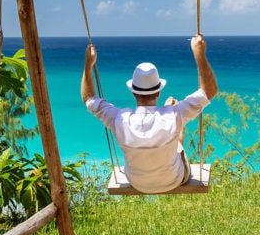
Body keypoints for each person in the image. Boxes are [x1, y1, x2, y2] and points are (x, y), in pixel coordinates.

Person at [81, 34, 218, 194]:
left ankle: (168, 116)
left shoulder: (120, 118)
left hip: (137, 182)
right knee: (177, 132)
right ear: (158, 92)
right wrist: (199, 55)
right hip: (174, 180)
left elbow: (88, 98)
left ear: (133, 93)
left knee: (175, 126)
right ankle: (169, 116)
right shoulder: (174, 115)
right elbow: (209, 92)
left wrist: (88, 65)